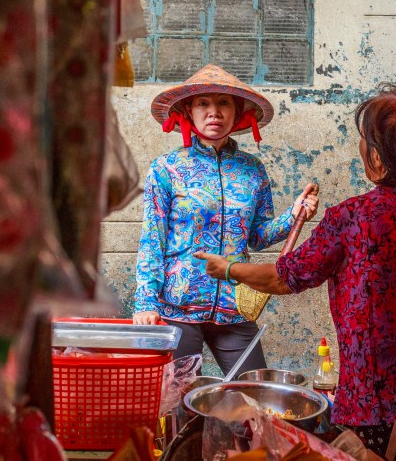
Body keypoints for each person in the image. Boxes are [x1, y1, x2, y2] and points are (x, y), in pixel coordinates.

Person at [196, 84, 396, 461]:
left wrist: (229, 268)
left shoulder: (352, 219)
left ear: (377, 157)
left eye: (365, 140)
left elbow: (284, 277)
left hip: (370, 417)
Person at [133, 64, 318, 375]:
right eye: (203, 103)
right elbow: (153, 239)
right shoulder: (167, 168)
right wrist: (146, 304)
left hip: (234, 305)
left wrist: (293, 214)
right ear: (189, 110)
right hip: (178, 308)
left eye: (223, 103)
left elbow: (257, 236)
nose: (214, 112)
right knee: (178, 397)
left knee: (254, 394)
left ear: (237, 112)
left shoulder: (252, 169)